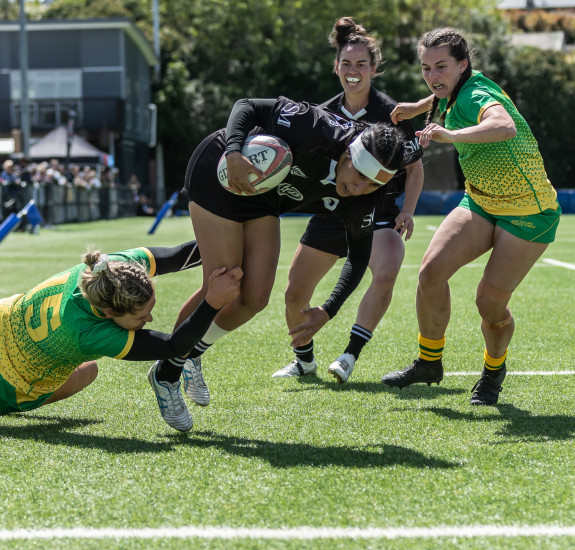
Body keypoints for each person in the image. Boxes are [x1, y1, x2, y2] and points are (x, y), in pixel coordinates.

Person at [151, 92, 407, 400]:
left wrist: (328, 310)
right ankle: (169, 368)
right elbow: (247, 106)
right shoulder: (315, 127)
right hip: (221, 168)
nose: (358, 189)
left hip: (262, 194)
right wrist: (234, 153)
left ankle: (192, 354)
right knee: (222, 282)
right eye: (359, 176)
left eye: (372, 185)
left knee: (255, 297)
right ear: (348, 155)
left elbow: (359, 255)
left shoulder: (365, 196)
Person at [380, 27, 561, 405]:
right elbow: (439, 94)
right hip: (480, 201)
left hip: (529, 214)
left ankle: (494, 370)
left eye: (442, 67)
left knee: (488, 305)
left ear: (463, 65)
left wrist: (450, 135)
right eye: (426, 68)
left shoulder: (478, 93)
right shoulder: (454, 90)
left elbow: (503, 125)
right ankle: (429, 362)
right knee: (430, 273)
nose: (433, 76)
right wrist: (418, 107)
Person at [271, 16, 424, 383]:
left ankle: (349, 356)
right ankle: (304, 361)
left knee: (386, 271)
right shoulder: (322, 113)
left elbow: (415, 169)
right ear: (336, 67)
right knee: (294, 293)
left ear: (373, 68)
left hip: (378, 212)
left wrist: (407, 210)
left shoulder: (395, 115)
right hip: (331, 211)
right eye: (346, 64)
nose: (353, 71)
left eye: (361, 64)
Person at [0, 240, 243, 432]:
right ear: (109, 312)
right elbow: (174, 346)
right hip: (10, 385)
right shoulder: (89, 331)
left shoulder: (114, 269)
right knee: (89, 370)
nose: (149, 320)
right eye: (141, 317)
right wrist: (212, 302)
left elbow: (181, 255)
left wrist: (232, 240)